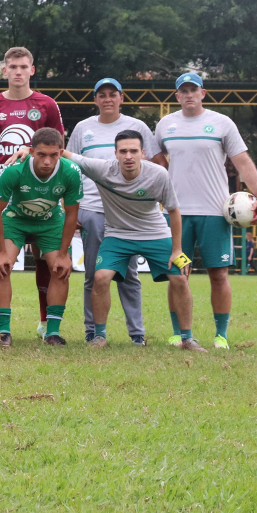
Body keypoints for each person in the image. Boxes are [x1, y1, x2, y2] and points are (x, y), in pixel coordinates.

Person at [154, 72, 257, 349]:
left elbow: (242, 161)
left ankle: (221, 335)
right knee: (177, 275)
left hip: (215, 212)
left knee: (219, 275)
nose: (189, 94)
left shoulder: (221, 123)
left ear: (203, 93)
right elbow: (155, 158)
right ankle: (178, 333)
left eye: (194, 89)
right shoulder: (165, 125)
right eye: (184, 91)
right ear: (177, 96)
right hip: (176, 212)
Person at [61, 130, 205, 350]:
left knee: (180, 279)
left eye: (133, 151)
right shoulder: (102, 169)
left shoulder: (158, 175)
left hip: (155, 233)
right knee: (100, 277)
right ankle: (99, 337)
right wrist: (29, 150)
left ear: (143, 153)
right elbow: (63, 153)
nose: (128, 156)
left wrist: (177, 250)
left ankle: (187, 338)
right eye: (123, 151)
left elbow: (174, 211)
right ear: (115, 154)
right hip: (118, 234)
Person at [0, 46, 65, 340]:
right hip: (4, 195)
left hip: (40, 195)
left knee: (44, 257)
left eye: (23, 66)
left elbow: (58, 150)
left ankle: (45, 322)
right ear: (4, 71)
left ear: (32, 70)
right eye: (12, 66)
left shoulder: (47, 105)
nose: (17, 71)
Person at [66, 78, 156, 344]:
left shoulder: (137, 126)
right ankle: (93, 332)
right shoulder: (83, 128)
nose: (107, 99)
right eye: (101, 95)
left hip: (127, 212)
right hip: (92, 208)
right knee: (94, 273)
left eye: (112, 94)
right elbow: (71, 167)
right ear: (95, 100)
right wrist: (73, 207)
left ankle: (136, 334)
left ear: (121, 98)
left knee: (129, 274)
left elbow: (152, 164)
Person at [0, 128, 83, 346]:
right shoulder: (14, 171)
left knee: (60, 270)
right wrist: (1, 252)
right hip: (16, 218)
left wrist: (63, 254)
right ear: (31, 152)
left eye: (53, 155)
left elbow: (71, 214)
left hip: (51, 221)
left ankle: (52, 332)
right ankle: (4, 333)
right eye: (41, 154)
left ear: (61, 153)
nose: (47, 161)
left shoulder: (70, 172)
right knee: (2, 266)